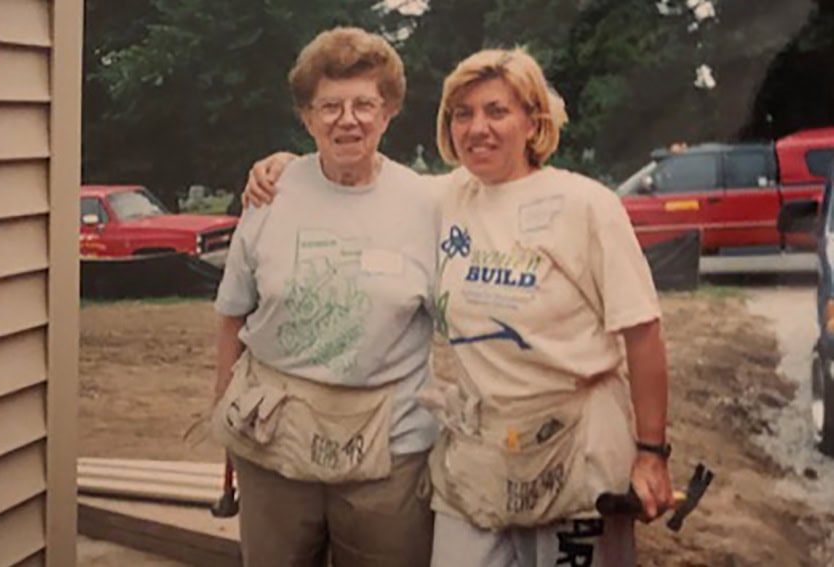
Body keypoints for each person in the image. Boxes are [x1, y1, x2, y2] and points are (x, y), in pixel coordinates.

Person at [244, 47, 673, 567]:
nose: (477, 128)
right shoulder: (441, 199)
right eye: (462, 114)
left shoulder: (584, 205)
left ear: (533, 121)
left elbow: (643, 333)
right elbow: (363, 175)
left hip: (575, 444)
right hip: (479, 448)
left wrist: (652, 454)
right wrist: (288, 167)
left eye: (497, 111)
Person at [212, 27, 438, 567]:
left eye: (364, 104)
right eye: (330, 106)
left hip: (391, 450)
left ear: (389, 112)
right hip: (272, 441)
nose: (348, 119)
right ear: (307, 117)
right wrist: (223, 408)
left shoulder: (428, 205)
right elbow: (231, 314)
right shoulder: (270, 194)